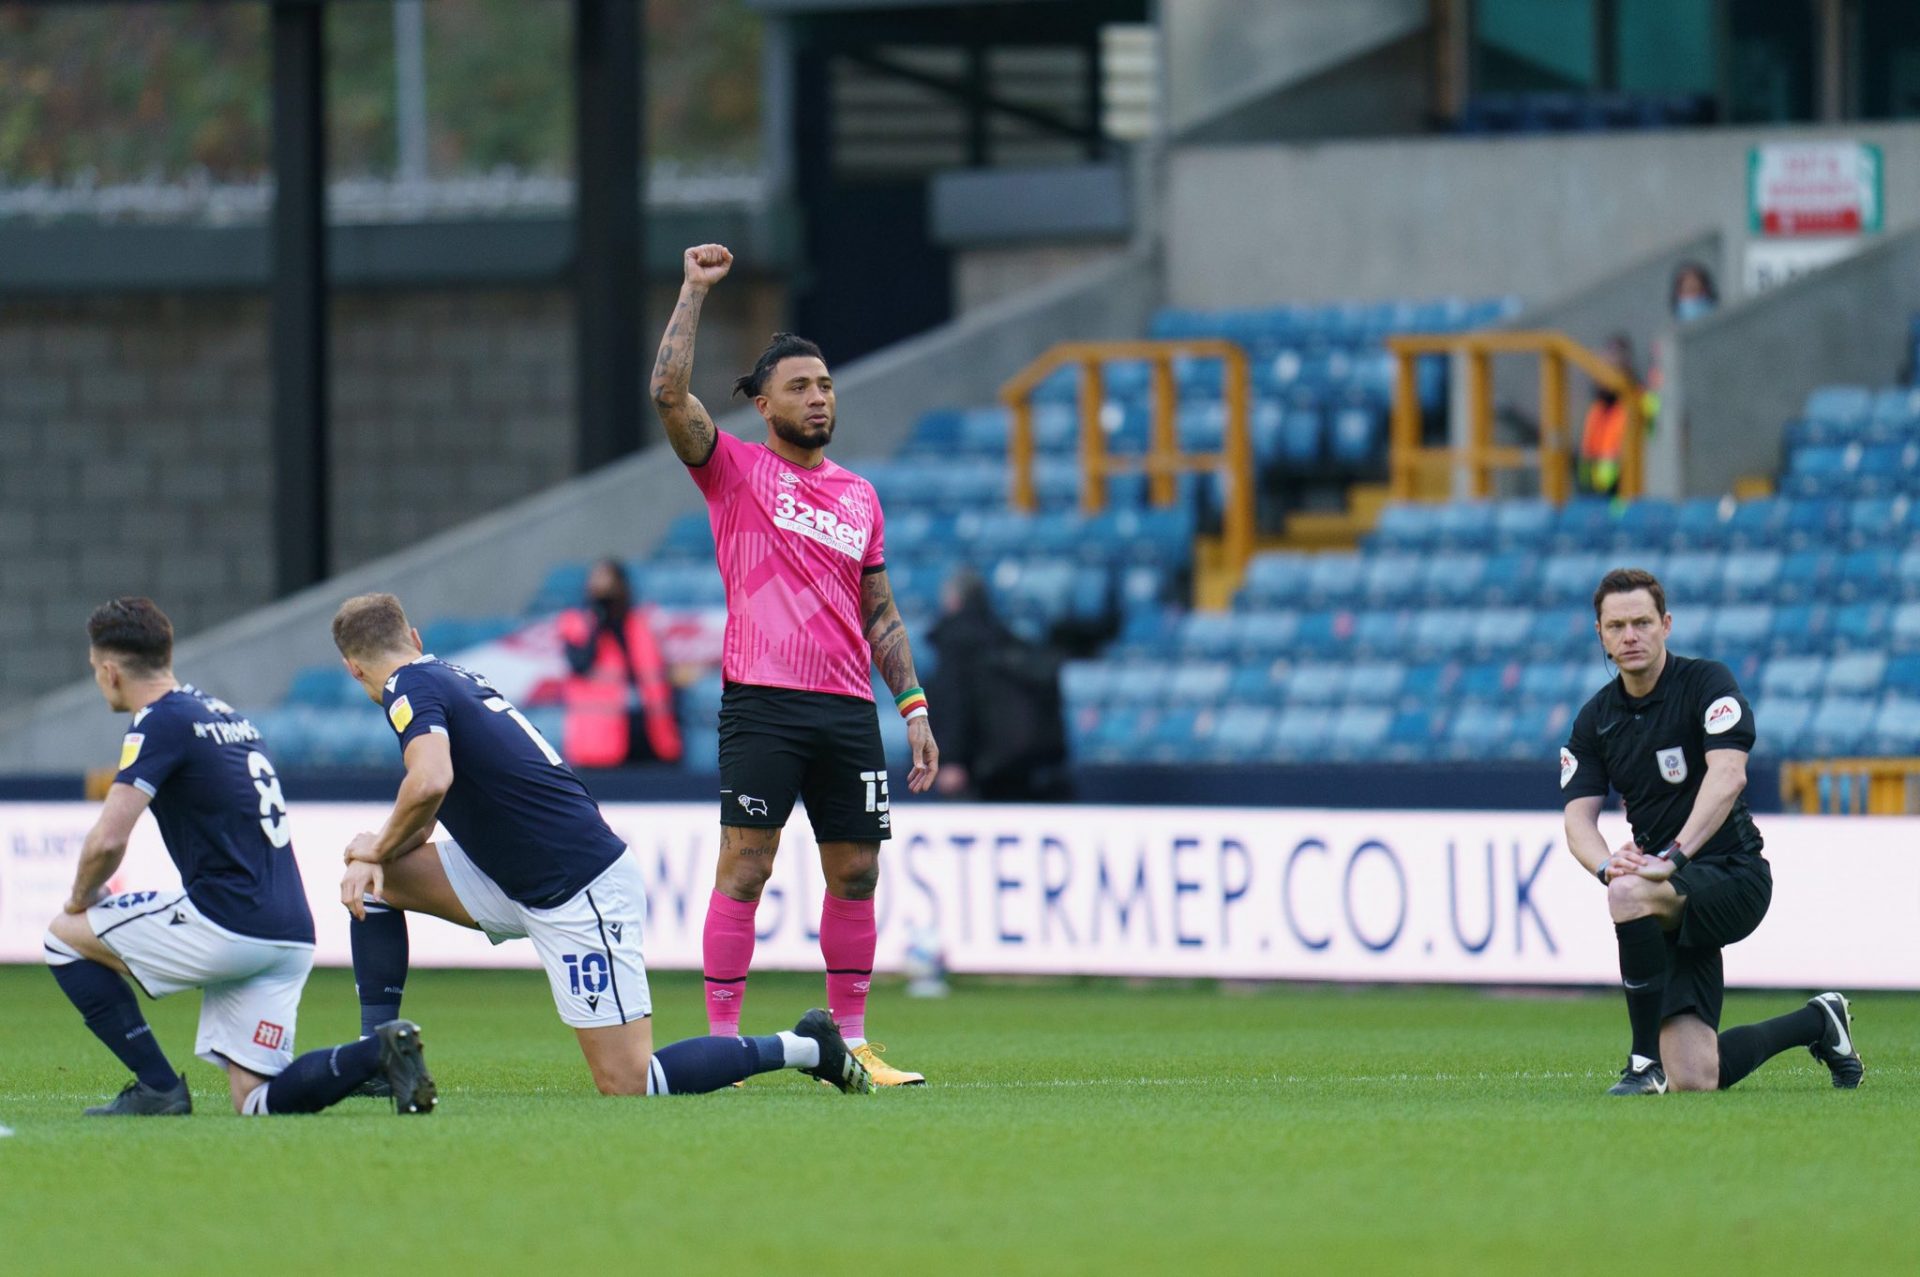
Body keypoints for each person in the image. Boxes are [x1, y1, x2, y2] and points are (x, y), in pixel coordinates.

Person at [330, 592, 869, 1096]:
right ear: (416, 637)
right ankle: (379, 1059)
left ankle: (806, 1046)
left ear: (353, 668)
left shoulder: (408, 688)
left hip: (577, 887)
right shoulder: (443, 676)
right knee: (379, 884)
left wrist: (373, 848)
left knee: (629, 1081)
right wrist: (376, 852)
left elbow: (429, 781)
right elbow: (428, 805)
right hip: (513, 874)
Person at [650, 242, 940, 1086]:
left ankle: (850, 1039)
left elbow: (879, 612)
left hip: (849, 708)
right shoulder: (733, 471)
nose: (819, 398)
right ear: (764, 404)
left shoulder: (859, 495)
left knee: (858, 868)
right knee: (746, 865)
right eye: (801, 387)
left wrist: (914, 708)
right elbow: (668, 392)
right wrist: (694, 291)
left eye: (826, 386)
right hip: (762, 702)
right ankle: (724, 1041)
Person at [44, 597, 436, 1117]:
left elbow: (108, 840)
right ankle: (378, 1053)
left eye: (96, 670)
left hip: (227, 924)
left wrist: (80, 898)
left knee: (61, 937)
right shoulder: (225, 714)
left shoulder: (159, 721)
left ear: (111, 672)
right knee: (255, 1100)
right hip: (288, 932)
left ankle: (157, 1087)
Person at [1560, 568, 1864, 1095]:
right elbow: (1577, 818)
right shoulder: (1596, 719)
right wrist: (1608, 864)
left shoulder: (1707, 684)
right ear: (1600, 635)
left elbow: (1728, 776)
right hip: (1668, 892)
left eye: (1641, 622)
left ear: (1666, 624)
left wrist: (1672, 858)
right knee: (1698, 1078)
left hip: (1733, 874)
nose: (1629, 636)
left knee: (1630, 894)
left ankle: (1641, 1064)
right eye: (1616, 627)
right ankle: (1820, 1021)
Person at [927, 568, 1070, 802]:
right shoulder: (1004, 638)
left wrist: (951, 759)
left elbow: (954, 702)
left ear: (953, 600)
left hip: (974, 770)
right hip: (1017, 767)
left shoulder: (955, 641)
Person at [557, 558, 682, 768]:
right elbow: (581, 663)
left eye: (608, 578)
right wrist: (597, 617)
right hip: (601, 739)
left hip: (649, 732)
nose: (602, 585)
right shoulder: (577, 622)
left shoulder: (642, 622)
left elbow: (659, 674)